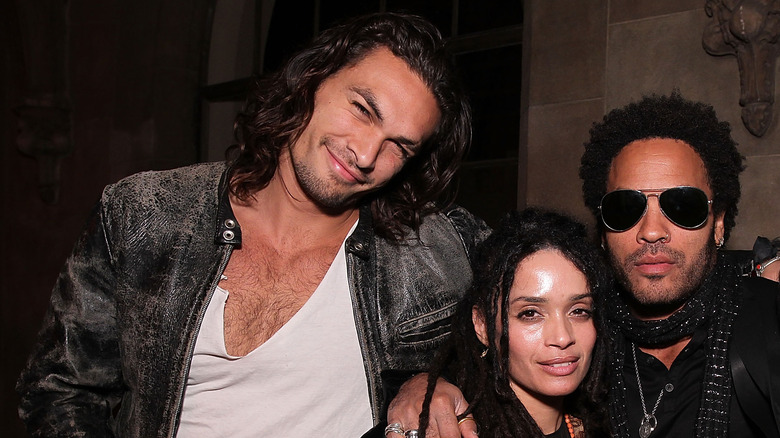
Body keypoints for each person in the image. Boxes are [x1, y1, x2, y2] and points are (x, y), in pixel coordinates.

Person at [16, 12, 490, 437]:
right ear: (311, 81)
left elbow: (540, 335)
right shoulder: (145, 214)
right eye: (362, 110)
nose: (366, 155)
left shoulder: (434, 252)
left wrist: (430, 382)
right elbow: (61, 390)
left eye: (399, 147)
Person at [387, 92, 780, 438]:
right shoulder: (580, 338)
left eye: (684, 206)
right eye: (626, 208)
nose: (652, 231)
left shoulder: (767, 320)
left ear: (719, 224)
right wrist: (424, 385)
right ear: (604, 231)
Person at [373, 208, 610, 438]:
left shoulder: (606, 420)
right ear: (482, 325)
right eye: (530, 313)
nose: (562, 337)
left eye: (579, 311)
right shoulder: (443, 430)